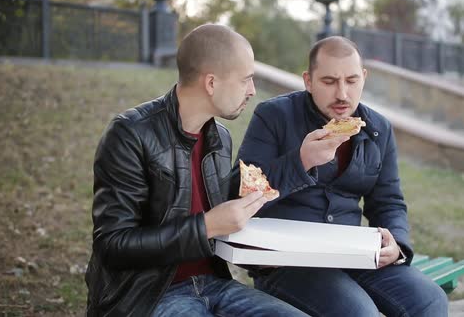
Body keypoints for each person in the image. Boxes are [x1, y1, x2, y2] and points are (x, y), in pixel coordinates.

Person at [85, 24, 308, 317]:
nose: (253, 90)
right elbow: (113, 245)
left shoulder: (220, 138)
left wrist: (256, 256)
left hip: (214, 285)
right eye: (246, 80)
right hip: (148, 296)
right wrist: (207, 226)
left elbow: (220, 222)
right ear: (211, 83)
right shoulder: (130, 134)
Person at [233, 36, 449, 317]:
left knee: (431, 300)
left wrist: (396, 243)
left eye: (351, 80)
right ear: (308, 81)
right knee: (360, 313)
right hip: (288, 262)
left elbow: (388, 202)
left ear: (364, 78)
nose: (342, 94)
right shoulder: (274, 116)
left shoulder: (378, 129)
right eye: (329, 81)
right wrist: (302, 161)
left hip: (354, 254)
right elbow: (241, 195)